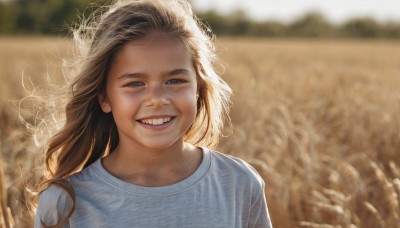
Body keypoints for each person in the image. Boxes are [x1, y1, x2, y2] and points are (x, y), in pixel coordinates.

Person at [33, 0, 272, 227]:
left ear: (198, 88)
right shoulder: (65, 203)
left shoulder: (239, 183)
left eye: (175, 80)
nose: (157, 99)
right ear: (104, 98)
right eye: (134, 84)